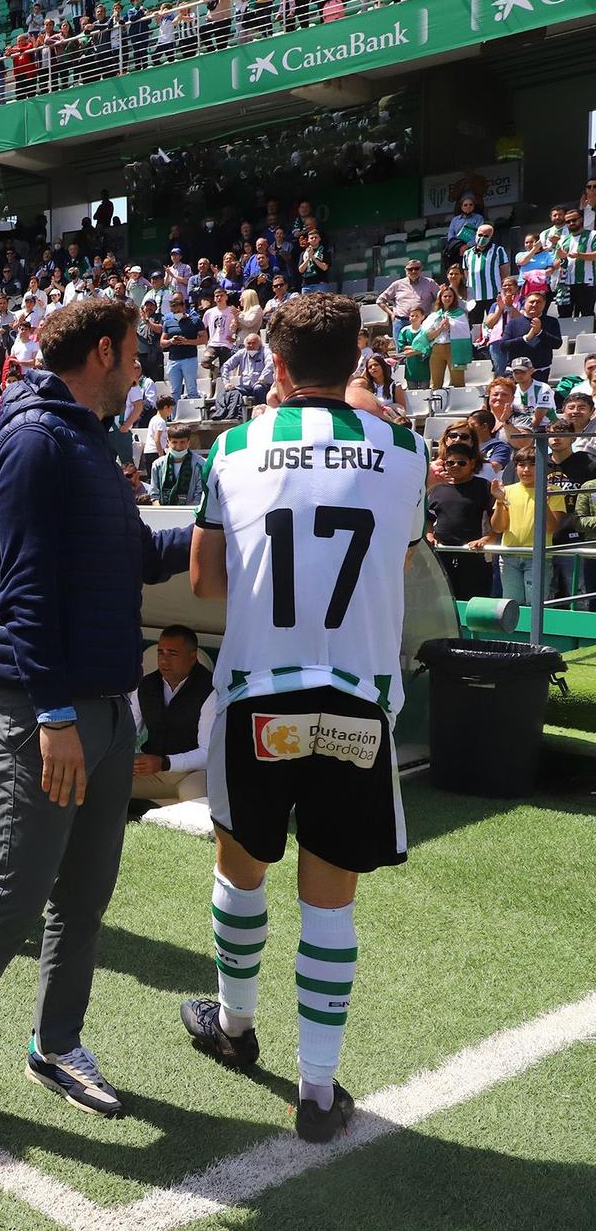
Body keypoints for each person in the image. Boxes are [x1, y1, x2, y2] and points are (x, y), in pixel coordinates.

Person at [0, 298, 190, 1137]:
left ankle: (56, 1043)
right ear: (103, 352)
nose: (144, 365)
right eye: (136, 351)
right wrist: (57, 715)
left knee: (85, 895)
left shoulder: (86, 439)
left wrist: (220, 528)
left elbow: (135, 556)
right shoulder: (35, 438)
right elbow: (20, 587)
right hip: (41, 710)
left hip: (102, 707)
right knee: (12, 896)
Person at [181, 292, 428, 1145]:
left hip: (260, 696)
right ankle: (317, 1092)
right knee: (330, 905)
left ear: (274, 366)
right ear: (360, 356)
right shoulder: (407, 449)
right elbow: (391, 558)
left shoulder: (234, 448)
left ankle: (235, 1026)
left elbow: (206, 581)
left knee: (240, 868)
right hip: (357, 697)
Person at [127, 625, 214, 803]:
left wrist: (165, 762)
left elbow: (207, 753)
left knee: (195, 800)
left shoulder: (210, 690)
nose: (164, 660)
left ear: (193, 656)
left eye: (172, 654)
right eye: (161, 653)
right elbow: (126, 733)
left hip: (193, 773)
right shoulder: (145, 686)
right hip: (152, 771)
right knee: (104, 780)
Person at [492, 446, 563, 609]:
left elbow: (552, 527)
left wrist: (543, 502)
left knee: (536, 607)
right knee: (511, 606)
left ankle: (538, 636)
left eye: (532, 465)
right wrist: (501, 501)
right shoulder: (506, 491)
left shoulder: (553, 491)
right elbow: (498, 527)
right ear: (515, 467)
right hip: (509, 556)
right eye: (521, 465)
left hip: (538, 557)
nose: (526, 470)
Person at [425, 440, 496, 600]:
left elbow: (497, 522)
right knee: (443, 602)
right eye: (450, 462)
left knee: (473, 603)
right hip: (442, 556)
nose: (455, 466)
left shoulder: (484, 487)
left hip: (474, 556)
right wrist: (430, 536)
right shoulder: (437, 488)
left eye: (461, 462)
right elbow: (428, 519)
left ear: (472, 463)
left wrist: (487, 539)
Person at [150, 425, 207, 505]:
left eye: (182, 442)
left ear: (189, 442)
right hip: (163, 513)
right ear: (168, 442)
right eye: (174, 442)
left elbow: (200, 495)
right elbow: (154, 495)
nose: (178, 446)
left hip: (190, 513)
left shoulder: (201, 464)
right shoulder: (157, 465)